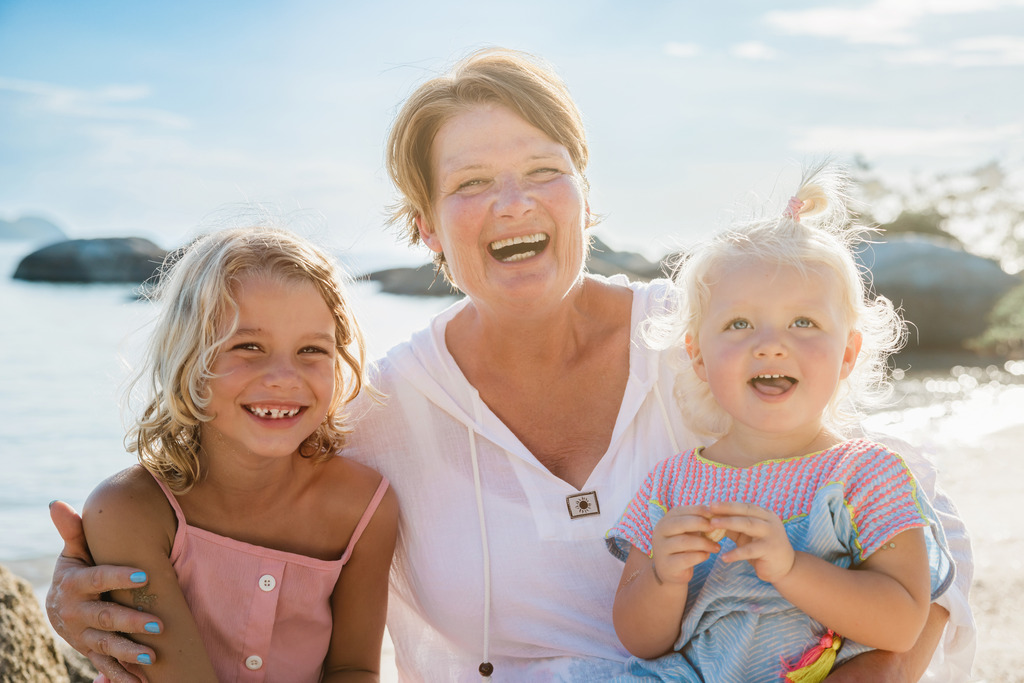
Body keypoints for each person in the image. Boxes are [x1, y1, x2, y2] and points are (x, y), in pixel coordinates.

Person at [46, 48, 974, 682]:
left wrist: (879, 665)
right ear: (426, 230)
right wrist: (90, 585)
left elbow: (926, 525)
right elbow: (231, 513)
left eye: (541, 169)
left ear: (585, 193)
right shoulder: (381, 411)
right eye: (470, 184)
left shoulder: (706, 340)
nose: (512, 203)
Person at [606, 166, 956, 682]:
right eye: (739, 323)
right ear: (698, 356)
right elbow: (639, 640)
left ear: (848, 355)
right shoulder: (671, 483)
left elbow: (903, 624)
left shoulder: (867, 476)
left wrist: (793, 569)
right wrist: (663, 577)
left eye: (804, 322)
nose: (770, 343)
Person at [74, 226, 398, 681]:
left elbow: (353, 667)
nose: (285, 376)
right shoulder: (130, 509)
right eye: (248, 346)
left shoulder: (364, 507)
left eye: (311, 349)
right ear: (187, 357)